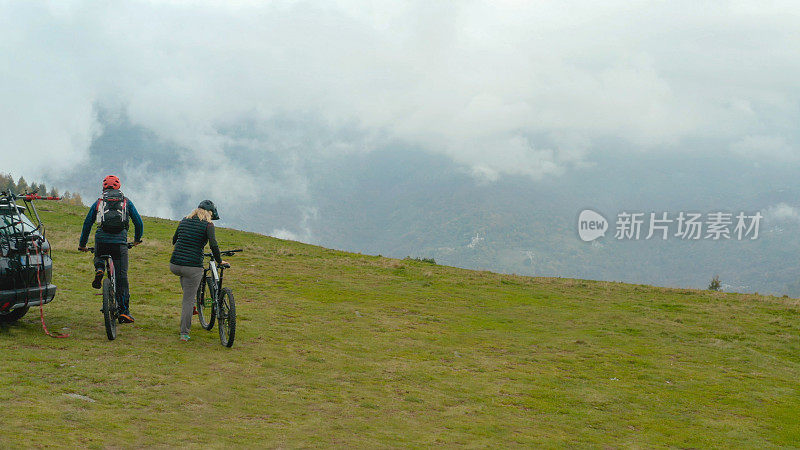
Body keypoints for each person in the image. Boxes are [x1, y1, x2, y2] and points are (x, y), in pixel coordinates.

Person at [78, 175, 143, 323]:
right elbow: (138, 222)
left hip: (102, 239)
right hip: (120, 242)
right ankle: (124, 312)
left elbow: (87, 224)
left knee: (99, 254)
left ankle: (99, 268)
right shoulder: (126, 202)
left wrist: (82, 244)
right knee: (122, 278)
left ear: (104, 187)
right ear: (118, 187)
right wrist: (137, 239)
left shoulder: (99, 202)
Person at [170, 200, 228, 342]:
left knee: (188, 289)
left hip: (175, 265)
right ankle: (184, 333)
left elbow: (174, 240)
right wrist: (220, 261)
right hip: (193, 266)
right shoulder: (208, 225)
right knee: (188, 300)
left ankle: (194, 306)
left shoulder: (185, 220)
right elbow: (213, 244)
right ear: (210, 214)